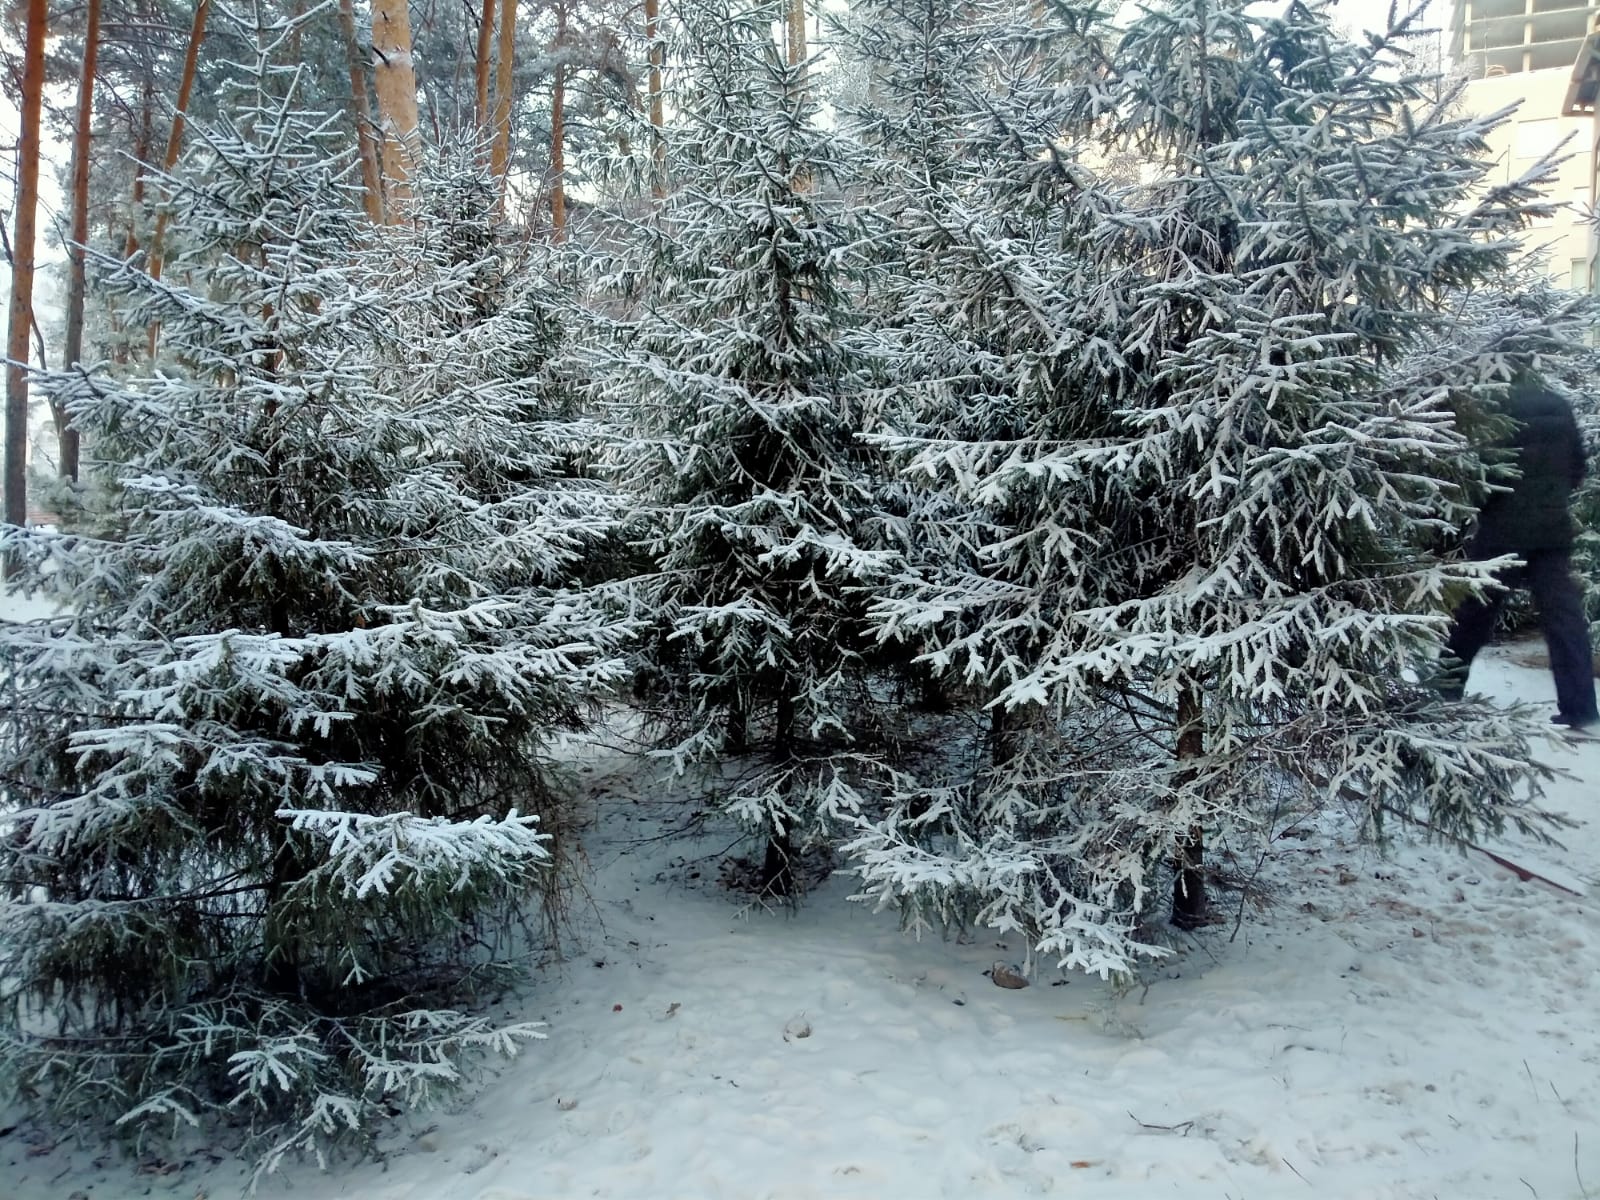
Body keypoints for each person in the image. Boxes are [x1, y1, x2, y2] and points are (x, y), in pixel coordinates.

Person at [1439, 374, 1598, 731]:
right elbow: (1577, 468)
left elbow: (1481, 474)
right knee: (1565, 623)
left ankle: (1443, 693)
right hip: (1552, 533)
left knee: (1474, 618)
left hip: (1500, 534)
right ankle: (1582, 710)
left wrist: (1484, 509)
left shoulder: (1494, 407)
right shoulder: (1558, 404)